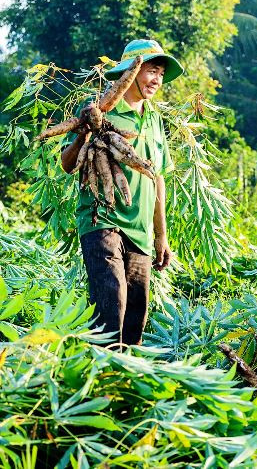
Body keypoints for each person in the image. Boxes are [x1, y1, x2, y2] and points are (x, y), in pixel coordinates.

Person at [61, 39, 184, 346]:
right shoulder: (99, 109)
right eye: (150, 70)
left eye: (160, 73)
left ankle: (124, 385)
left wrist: (161, 236)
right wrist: (85, 134)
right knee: (110, 308)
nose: (156, 79)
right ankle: (95, 384)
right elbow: (67, 163)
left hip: (140, 230)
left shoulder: (154, 119)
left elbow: (158, 178)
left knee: (134, 321)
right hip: (102, 220)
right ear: (130, 71)